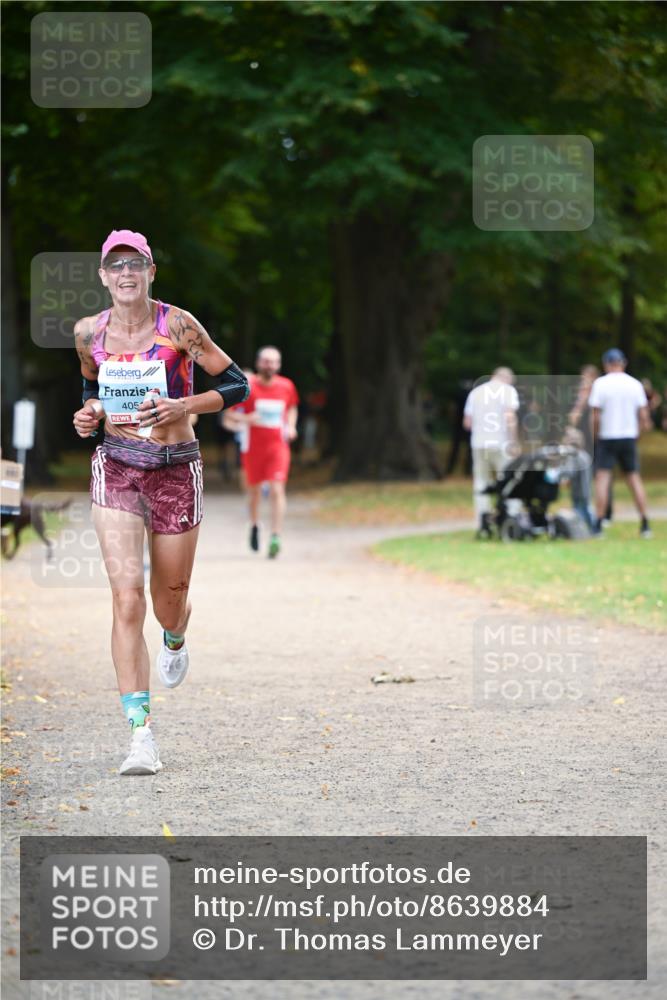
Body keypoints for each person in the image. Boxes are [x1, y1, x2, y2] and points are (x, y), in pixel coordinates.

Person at [72, 229, 249, 775]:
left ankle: (176, 635)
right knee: (126, 600)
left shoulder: (179, 325)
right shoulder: (87, 333)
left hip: (175, 470)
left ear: (151, 271)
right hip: (118, 468)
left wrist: (182, 406)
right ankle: (140, 734)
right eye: (115, 265)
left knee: (167, 600)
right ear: (103, 275)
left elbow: (238, 384)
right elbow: (90, 391)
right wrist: (89, 416)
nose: (126, 274)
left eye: (137, 264)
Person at [230, 346, 298, 558]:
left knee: (278, 489)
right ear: (259, 363)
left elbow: (292, 407)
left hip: (278, 446)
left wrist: (292, 425)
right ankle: (254, 525)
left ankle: (276, 535)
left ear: (279, 364)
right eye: (266, 361)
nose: (270, 365)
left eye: (274, 361)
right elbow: (230, 415)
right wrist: (247, 419)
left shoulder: (286, 386)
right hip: (253, 448)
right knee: (255, 493)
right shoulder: (248, 387)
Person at [588, 348, 652, 539]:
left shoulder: (600, 384)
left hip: (607, 437)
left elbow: (595, 416)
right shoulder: (635, 384)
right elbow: (644, 416)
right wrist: (637, 434)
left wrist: (595, 436)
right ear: (623, 363)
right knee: (633, 478)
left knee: (602, 479)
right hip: (628, 437)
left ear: (606, 364)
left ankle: (599, 524)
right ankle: (645, 523)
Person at [463, 367, 520, 533]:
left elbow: (467, 423)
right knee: (509, 479)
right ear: (507, 379)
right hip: (500, 443)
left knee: (481, 481)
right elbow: (510, 417)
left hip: (479, 443)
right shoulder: (508, 391)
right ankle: (511, 516)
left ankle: (483, 520)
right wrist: (513, 442)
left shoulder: (476, 392)